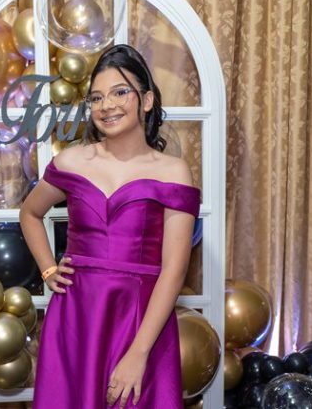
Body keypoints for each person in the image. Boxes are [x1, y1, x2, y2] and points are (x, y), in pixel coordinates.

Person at [19, 44, 200, 409]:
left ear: (146, 100)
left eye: (120, 92)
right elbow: (30, 213)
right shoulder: (71, 162)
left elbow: (174, 270)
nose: (106, 105)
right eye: (97, 98)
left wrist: (139, 352)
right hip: (76, 318)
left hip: (140, 321)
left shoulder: (173, 172)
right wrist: (49, 269)